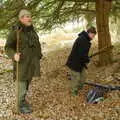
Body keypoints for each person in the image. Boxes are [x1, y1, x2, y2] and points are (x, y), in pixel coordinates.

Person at [5, 9, 42, 114]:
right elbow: (8, 47)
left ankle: (22, 101)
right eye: (27, 16)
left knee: (26, 85)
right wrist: (14, 55)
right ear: (21, 18)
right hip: (21, 65)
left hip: (32, 64)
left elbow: (37, 44)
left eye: (30, 16)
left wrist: (39, 55)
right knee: (21, 87)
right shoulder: (16, 31)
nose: (29, 18)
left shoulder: (32, 30)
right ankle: (19, 106)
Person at [66, 27, 96, 96]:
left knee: (83, 77)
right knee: (76, 78)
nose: (93, 37)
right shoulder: (82, 39)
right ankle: (73, 93)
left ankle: (78, 89)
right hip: (74, 62)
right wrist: (87, 60)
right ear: (89, 33)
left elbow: (83, 54)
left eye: (94, 36)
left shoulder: (86, 39)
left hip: (80, 62)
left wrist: (85, 61)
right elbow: (81, 54)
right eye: (93, 35)